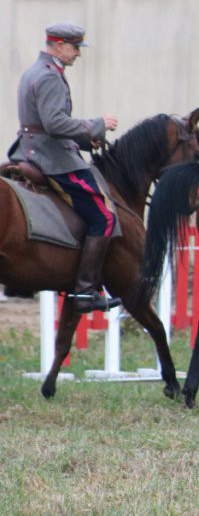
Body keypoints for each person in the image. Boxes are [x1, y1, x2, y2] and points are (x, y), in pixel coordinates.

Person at [7, 23, 120, 313]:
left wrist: (86, 138)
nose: (77, 54)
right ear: (57, 45)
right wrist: (97, 124)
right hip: (51, 157)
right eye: (73, 47)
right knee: (104, 215)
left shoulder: (33, 71)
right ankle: (85, 291)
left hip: (29, 148)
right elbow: (55, 123)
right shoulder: (50, 77)